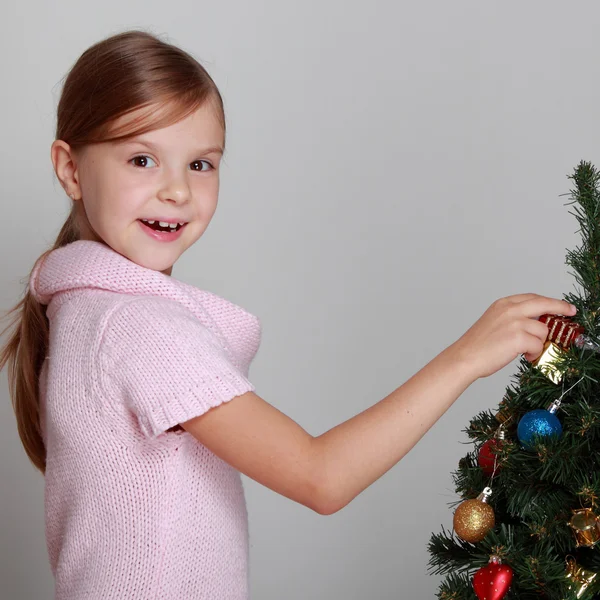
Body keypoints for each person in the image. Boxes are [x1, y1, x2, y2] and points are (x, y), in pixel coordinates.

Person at [0, 29, 576, 600]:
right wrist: (467, 357)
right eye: (142, 159)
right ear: (71, 169)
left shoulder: (83, 312)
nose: (176, 190)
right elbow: (321, 478)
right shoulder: (137, 329)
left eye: (201, 164)